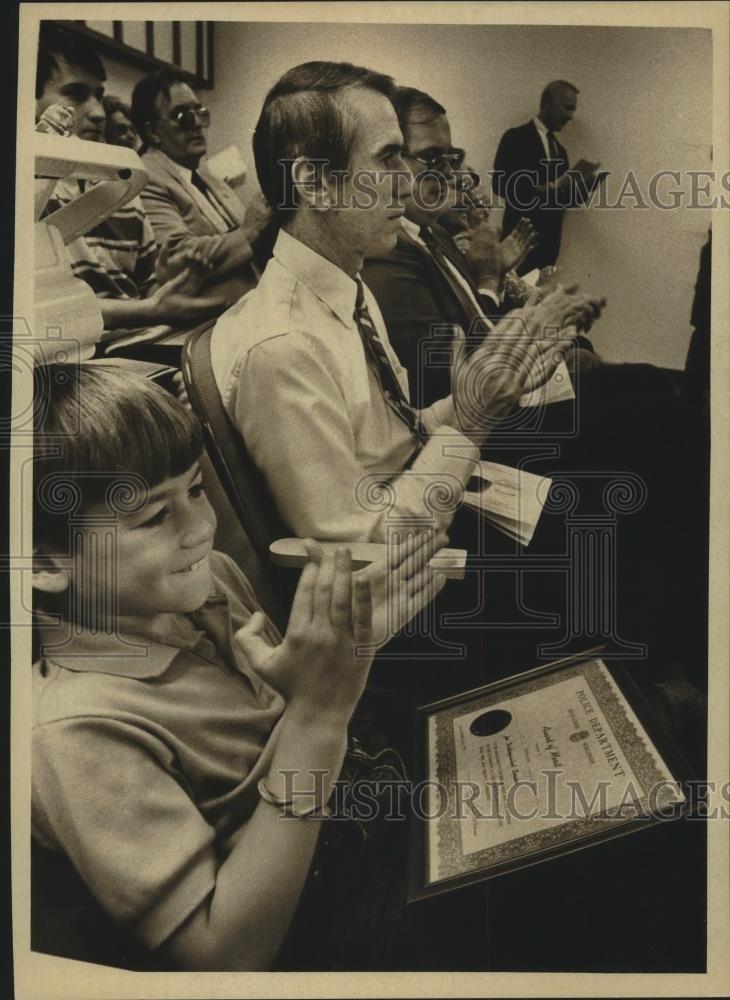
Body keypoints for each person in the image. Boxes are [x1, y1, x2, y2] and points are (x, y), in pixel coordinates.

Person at [31, 364, 448, 971]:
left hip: (386, 815)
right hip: (350, 927)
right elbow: (224, 956)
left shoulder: (212, 586)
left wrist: (347, 646)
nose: (201, 527)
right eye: (153, 517)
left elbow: (292, 725)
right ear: (43, 562)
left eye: (195, 489)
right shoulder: (75, 734)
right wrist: (317, 714)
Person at [210, 61, 599, 545]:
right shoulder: (282, 348)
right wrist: (475, 421)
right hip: (411, 583)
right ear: (314, 183)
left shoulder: (346, 290)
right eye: (388, 159)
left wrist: (474, 397)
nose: (407, 181)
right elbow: (370, 543)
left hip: (425, 506)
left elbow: (399, 435)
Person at [35, 23, 226, 340]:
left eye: (99, 96)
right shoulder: (29, 195)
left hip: (143, 341)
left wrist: (165, 284)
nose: (98, 112)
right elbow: (42, 309)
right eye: (76, 95)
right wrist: (152, 308)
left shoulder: (123, 189)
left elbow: (149, 288)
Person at [363, 86, 543, 408]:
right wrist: (492, 283)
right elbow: (446, 374)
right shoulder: (388, 250)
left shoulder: (433, 234)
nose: (447, 175)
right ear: (391, 163)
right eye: (431, 158)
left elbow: (475, 332)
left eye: (451, 158)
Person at [131, 70, 270, 300]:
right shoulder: (146, 177)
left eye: (200, 112)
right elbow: (178, 256)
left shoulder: (204, 174)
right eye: (182, 116)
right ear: (153, 132)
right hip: (209, 317)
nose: (196, 123)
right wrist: (251, 231)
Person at [492, 80, 604, 273]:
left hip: (549, 249)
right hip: (518, 245)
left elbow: (562, 201)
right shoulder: (515, 137)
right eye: (567, 108)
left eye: (573, 110)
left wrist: (584, 188)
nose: (570, 116)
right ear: (547, 103)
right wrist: (544, 188)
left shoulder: (560, 151)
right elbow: (500, 185)